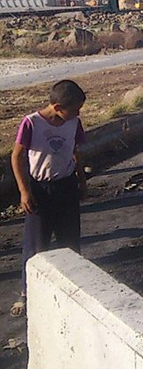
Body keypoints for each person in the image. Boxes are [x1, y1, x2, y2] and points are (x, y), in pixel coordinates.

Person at [10, 80, 87, 317]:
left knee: (70, 240)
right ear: (56, 106)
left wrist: (81, 178)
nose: (77, 114)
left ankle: (73, 287)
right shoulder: (32, 123)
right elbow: (17, 157)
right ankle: (26, 293)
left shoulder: (73, 122)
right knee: (36, 244)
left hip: (66, 186)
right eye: (74, 109)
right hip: (40, 190)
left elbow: (75, 150)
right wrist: (25, 191)